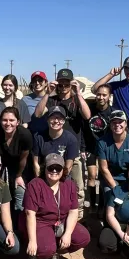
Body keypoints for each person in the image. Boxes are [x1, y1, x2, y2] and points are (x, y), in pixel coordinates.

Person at [34, 68, 91, 218]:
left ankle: (78, 218)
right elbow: (38, 114)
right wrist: (47, 92)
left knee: (77, 187)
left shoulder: (76, 99)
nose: (63, 87)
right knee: (52, 185)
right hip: (52, 150)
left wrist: (78, 92)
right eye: (61, 84)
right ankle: (53, 213)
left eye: (67, 84)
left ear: (71, 84)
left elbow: (87, 115)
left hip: (72, 150)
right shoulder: (52, 99)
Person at [22, 153, 90, 259]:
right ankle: (39, 253)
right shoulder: (35, 185)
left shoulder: (69, 184)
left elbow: (74, 211)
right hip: (41, 222)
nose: (54, 171)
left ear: (63, 170)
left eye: (58, 168)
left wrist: (67, 234)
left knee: (83, 238)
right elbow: (30, 214)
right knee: (45, 250)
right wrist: (32, 241)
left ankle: (55, 250)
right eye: (50, 167)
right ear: (44, 169)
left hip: (61, 221)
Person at [0, 107, 33, 223]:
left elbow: (24, 158)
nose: (8, 124)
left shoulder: (25, 135)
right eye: (4, 120)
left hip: (19, 167)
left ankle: (20, 224)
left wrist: (18, 175)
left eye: (11, 120)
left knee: (20, 192)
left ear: (18, 122)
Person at [97, 110, 129, 197]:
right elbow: (104, 169)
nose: (117, 125)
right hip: (111, 177)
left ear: (126, 123)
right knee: (112, 196)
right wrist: (116, 188)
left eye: (120, 122)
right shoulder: (102, 142)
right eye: (114, 122)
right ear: (110, 125)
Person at [83, 83, 114, 212]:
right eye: (99, 94)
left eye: (104, 95)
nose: (101, 97)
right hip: (90, 146)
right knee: (91, 176)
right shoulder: (89, 109)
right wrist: (82, 147)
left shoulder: (112, 112)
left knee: (103, 177)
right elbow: (83, 129)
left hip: (105, 148)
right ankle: (90, 204)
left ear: (109, 96)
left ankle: (102, 204)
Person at [32, 106, 78, 178]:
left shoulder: (71, 139)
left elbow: (68, 167)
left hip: (62, 176)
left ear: (64, 121)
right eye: (53, 117)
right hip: (43, 175)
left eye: (60, 118)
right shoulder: (38, 137)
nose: (56, 121)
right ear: (47, 120)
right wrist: (39, 181)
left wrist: (56, 182)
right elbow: (36, 163)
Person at [23, 71, 49, 135]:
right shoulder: (25, 99)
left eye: (40, 80)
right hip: (31, 134)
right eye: (34, 81)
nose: (37, 83)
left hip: (48, 136)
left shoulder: (51, 99)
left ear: (45, 83)